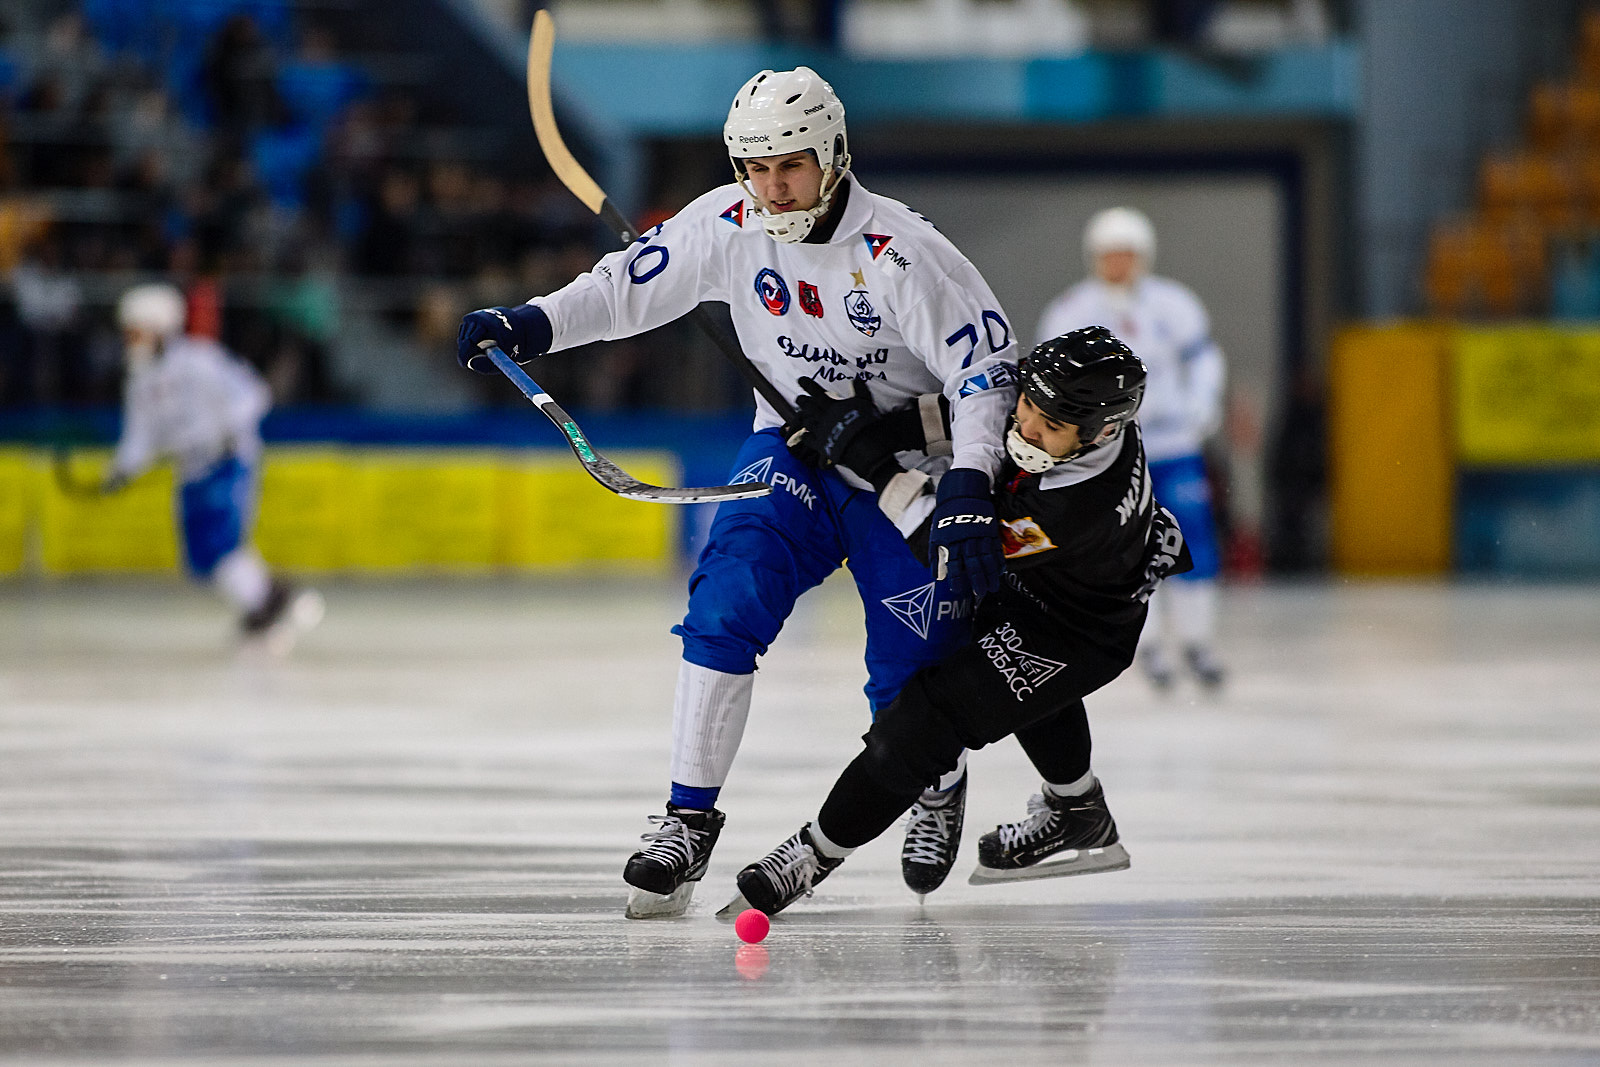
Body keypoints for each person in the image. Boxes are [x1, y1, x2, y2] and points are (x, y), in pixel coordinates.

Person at [456, 66, 1018, 918]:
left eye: (788, 165)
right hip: (791, 452)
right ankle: (687, 821)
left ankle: (934, 776)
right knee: (726, 599)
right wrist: (529, 324)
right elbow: (624, 288)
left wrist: (973, 479)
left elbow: (984, 371)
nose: (769, 187)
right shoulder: (724, 220)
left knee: (908, 665)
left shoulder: (905, 253)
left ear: (832, 156)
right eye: (752, 168)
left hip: (906, 464)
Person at [729, 327, 1192, 916]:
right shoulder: (1075, 420)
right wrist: (864, 428)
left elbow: (946, 543)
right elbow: (975, 415)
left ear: (1100, 433)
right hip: (1049, 586)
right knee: (1032, 695)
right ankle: (1078, 810)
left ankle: (814, 854)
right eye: (1028, 405)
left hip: (1076, 630)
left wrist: (865, 454)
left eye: (1049, 428)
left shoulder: (1079, 504)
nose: (1027, 428)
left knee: (927, 719)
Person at [1036, 207, 1226, 691]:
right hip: (1112, 451)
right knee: (1128, 548)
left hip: (1174, 441)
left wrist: (1202, 405)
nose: (1118, 263)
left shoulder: (1174, 304)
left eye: (1127, 254)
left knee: (1192, 538)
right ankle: (1148, 646)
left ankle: (1197, 639)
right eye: (1109, 255)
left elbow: (1203, 358)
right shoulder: (1072, 311)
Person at [106, 283, 322, 650]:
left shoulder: (199, 361)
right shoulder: (140, 382)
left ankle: (268, 608)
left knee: (221, 543)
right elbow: (140, 436)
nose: (130, 339)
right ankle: (274, 598)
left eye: (136, 330)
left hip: (228, 460)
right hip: (192, 470)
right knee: (203, 558)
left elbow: (253, 395)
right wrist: (123, 469)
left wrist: (224, 433)